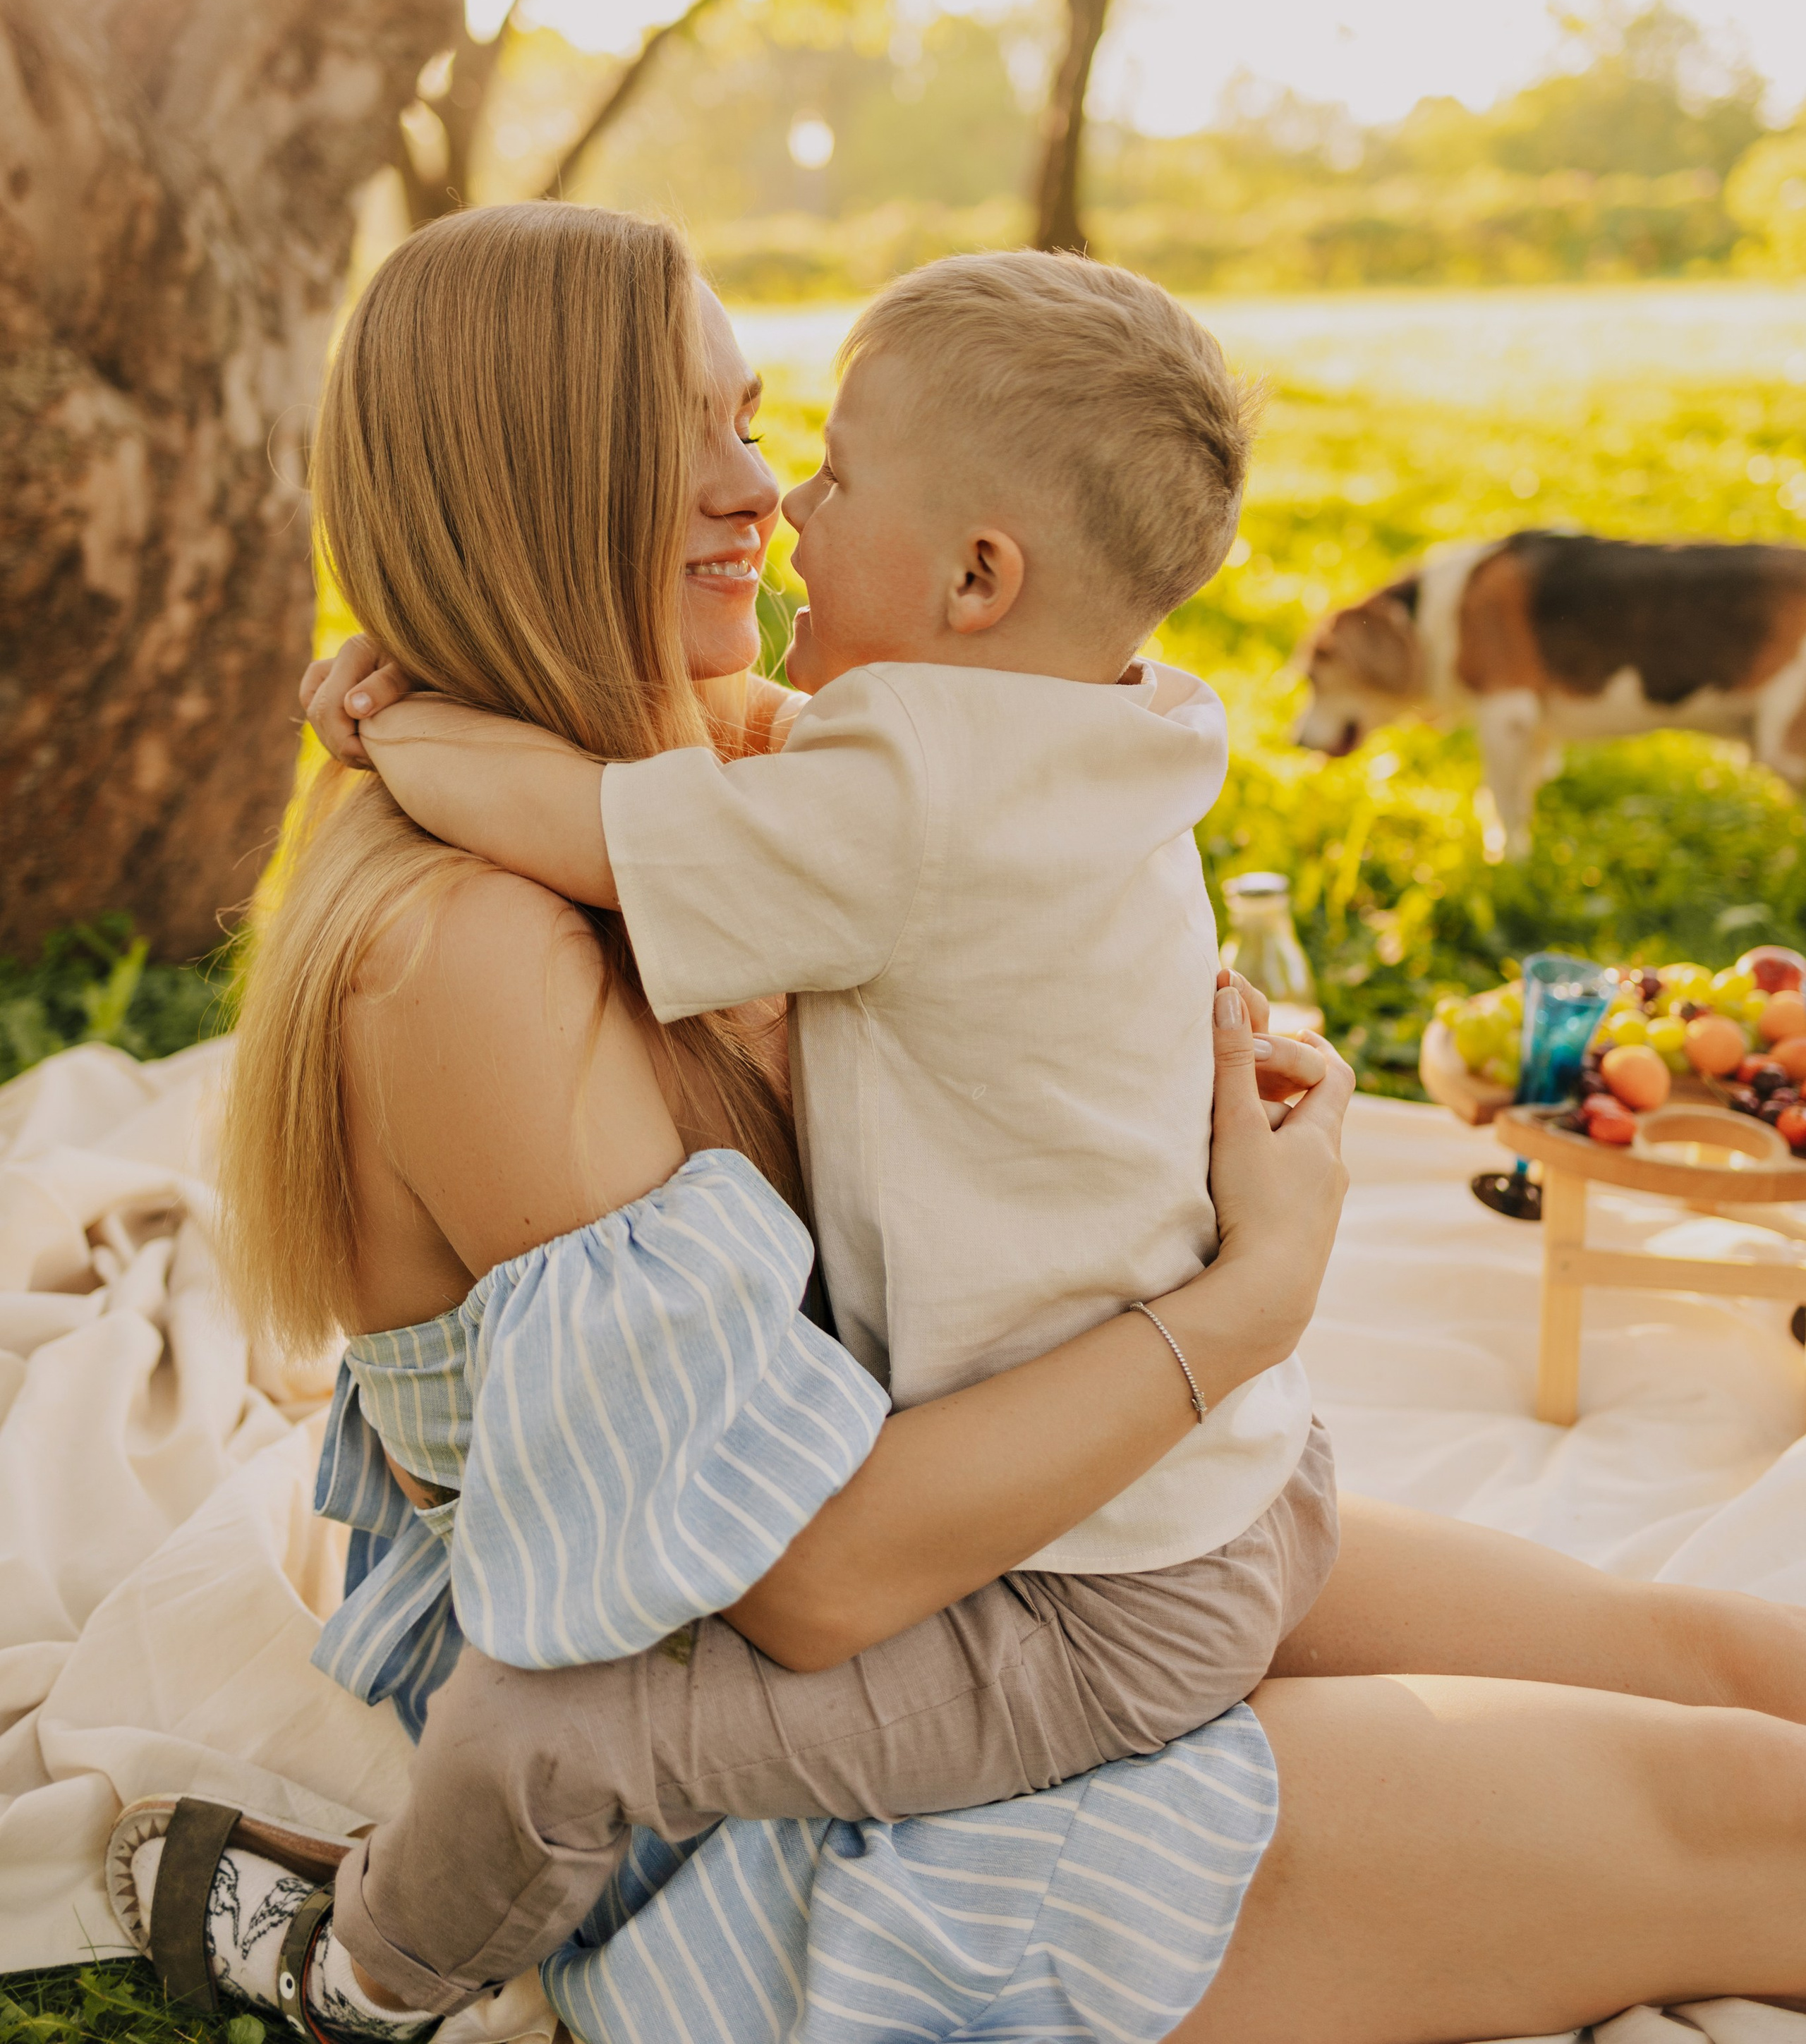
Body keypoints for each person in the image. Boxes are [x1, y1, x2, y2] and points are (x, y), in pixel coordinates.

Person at [116, 204, 1806, 2044]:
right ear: (524, 479)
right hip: (796, 1789)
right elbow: (813, 1585)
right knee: (1745, 1823)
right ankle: (355, 1982)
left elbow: (1043, 894)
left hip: (1021, 1562)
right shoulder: (475, 958)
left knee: (1704, 1661)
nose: (762, 495)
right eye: (688, 438)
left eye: (768, 426)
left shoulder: (752, 758)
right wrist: (1253, 1293)